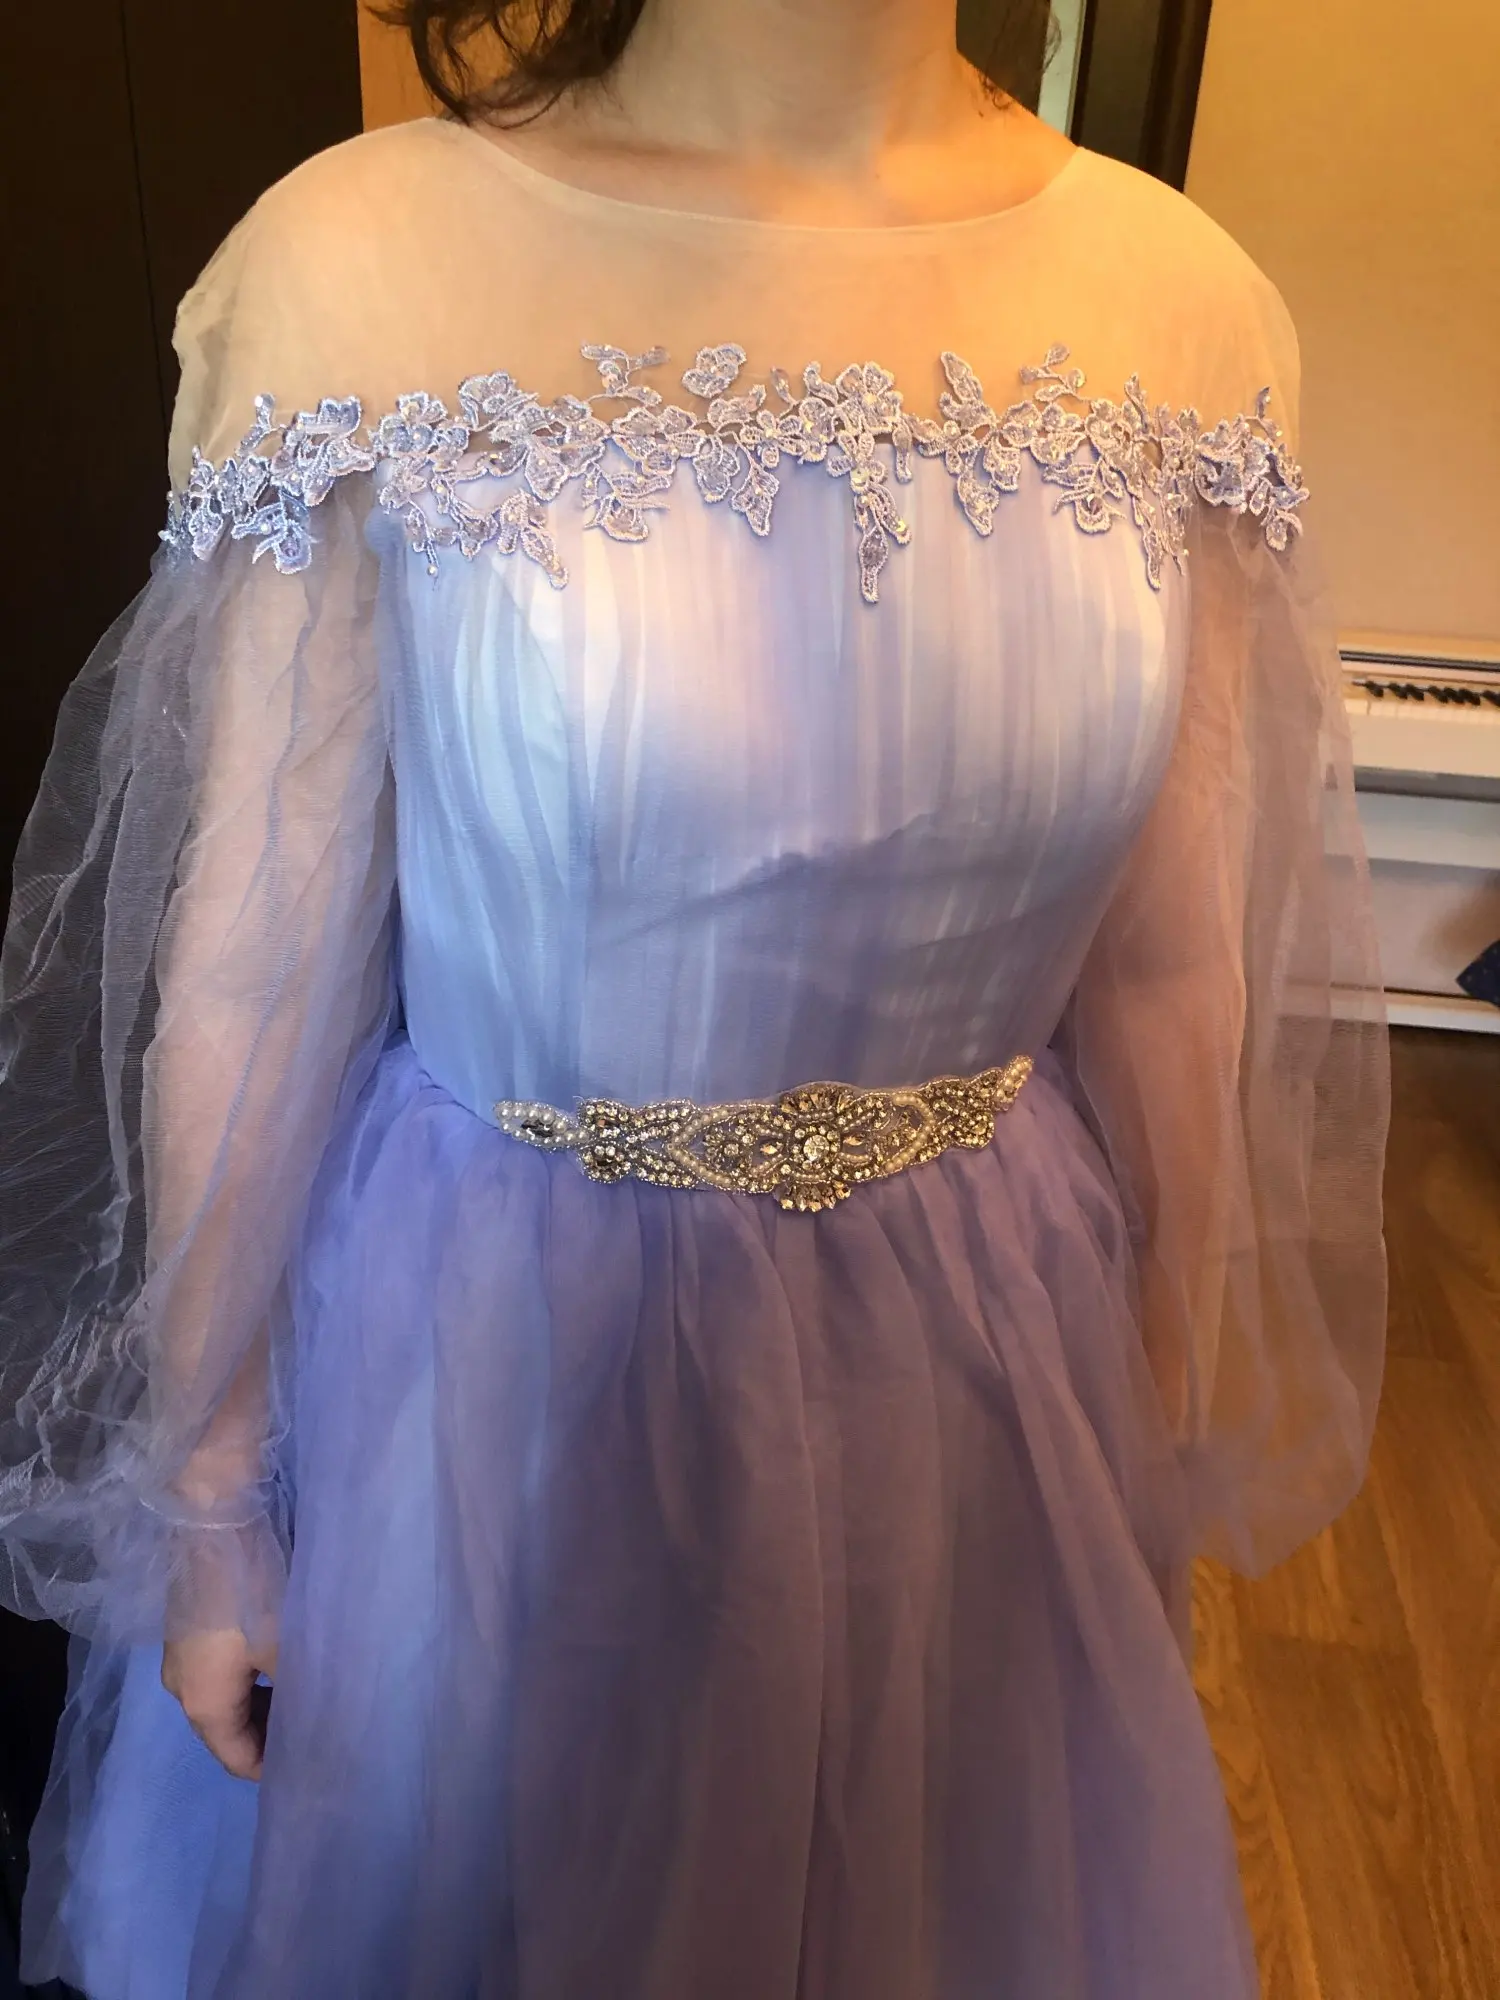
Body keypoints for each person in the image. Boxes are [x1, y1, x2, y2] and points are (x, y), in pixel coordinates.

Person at [0, 0, 1390, 1993]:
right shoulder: (360, 263)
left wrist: (1143, 1434)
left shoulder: (1179, 303)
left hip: (984, 1366)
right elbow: (257, 939)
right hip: (490, 1362)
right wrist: (212, 1489)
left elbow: (1173, 960)